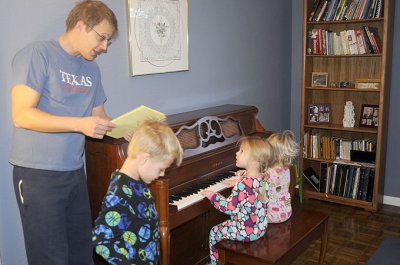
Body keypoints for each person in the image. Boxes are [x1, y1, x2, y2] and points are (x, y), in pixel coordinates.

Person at [9, 1, 118, 264]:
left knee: (81, 254)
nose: (104, 46)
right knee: (50, 258)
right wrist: (79, 124)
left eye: (108, 41)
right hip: (38, 175)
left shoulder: (91, 68)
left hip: (74, 173)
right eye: (101, 37)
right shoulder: (38, 54)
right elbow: (22, 115)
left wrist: (122, 129)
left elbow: (98, 116)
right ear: (80, 26)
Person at [92, 120, 183, 265]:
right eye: (161, 169)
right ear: (145, 159)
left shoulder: (138, 179)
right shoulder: (120, 195)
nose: (162, 174)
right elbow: (101, 241)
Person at [201, 136, 274, 265]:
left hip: (244, 232)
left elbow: (229, 208)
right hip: (260, 229)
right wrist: (239, 177)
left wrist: (213, 196)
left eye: (241, 151)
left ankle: (214, 263)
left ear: (254, 161)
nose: (236, 153)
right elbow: (250, 184)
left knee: (214, 232)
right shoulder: (264, 177)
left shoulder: (242, 184)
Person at [266, 130, 299, 223]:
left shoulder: (268, 173)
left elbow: (254, 179)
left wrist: (244, 174)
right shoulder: (285, 169)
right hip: (286, 211)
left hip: (272, 215)